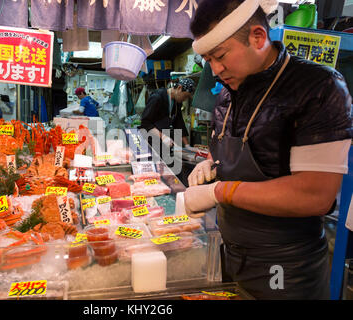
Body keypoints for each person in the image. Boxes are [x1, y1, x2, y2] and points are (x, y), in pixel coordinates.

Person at [184, 0, 352, 299]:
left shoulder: (319, 87)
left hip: (286, 266)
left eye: (220, 56)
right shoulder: (227, 94)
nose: (216, 69)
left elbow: (314, 195)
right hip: (231, 250)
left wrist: (218, 192)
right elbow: (235, 149)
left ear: (258, 37)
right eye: (208, 60)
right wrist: (210, 164)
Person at [139, 77, 195, 149]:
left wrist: (187, 145)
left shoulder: (176, 102)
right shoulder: (157, 97)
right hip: (150, 142)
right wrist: (163, 137)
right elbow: (145, 123)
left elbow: (179, 123)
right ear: (179, 88)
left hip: (164, 145)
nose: (185, 99)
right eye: (185, 96)